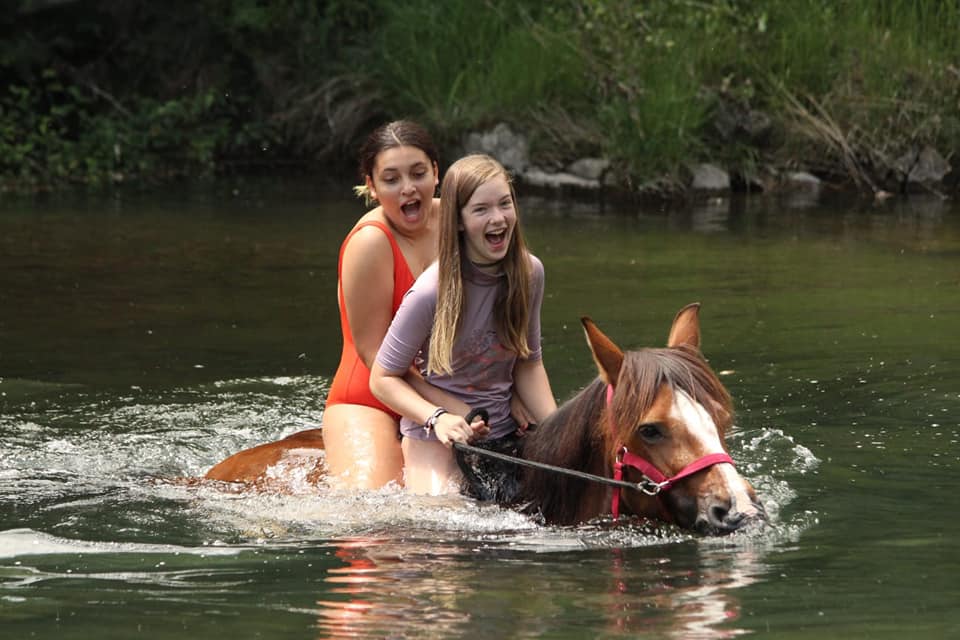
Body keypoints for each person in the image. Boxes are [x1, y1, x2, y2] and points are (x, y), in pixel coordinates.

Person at [369, 154, 557, 495]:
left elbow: (529, 364)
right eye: (481, 209)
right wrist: (436, 418)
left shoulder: (530, 273)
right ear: (457, 220)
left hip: (505, 431)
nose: (498, 218)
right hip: (435, 436)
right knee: (444, 535)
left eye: (505, 204)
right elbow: (382, 378)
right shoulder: (430, 292)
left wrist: (558, 431)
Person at [323, 120, 467, 489]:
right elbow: (375, 355)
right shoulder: (370, 242)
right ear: (371, 186)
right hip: (369, 399)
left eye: (418, 173)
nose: (408, 188)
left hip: (452, 394)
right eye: (391, 179)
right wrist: (448, 407)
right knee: (375, 518)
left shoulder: (461, 224)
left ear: (437, 173)